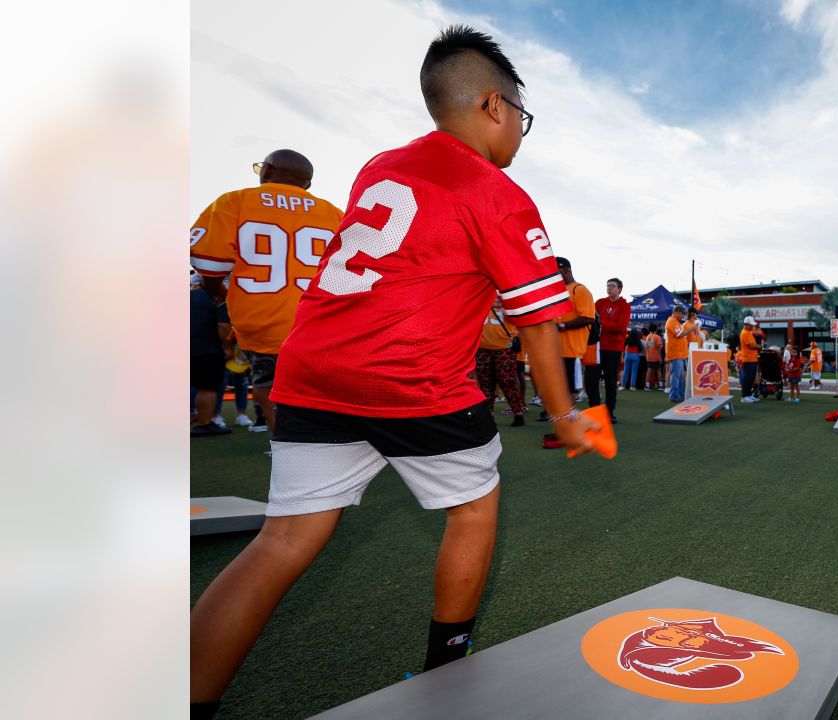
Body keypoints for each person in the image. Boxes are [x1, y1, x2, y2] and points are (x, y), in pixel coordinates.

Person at [189, 27, 598, 719]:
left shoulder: (383, 165)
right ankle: (447, 674)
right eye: (523, 119)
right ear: (494, 107)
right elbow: (536, 325)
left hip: (312, 366)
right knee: (473, 510)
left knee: (282, 540)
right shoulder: (499, 193)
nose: (522, 136)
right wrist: (566, 417)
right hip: (410, 378)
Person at [190, 148, 345, 434]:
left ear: (268, 171)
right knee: (318, 391)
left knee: (267, 388)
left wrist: (219, 293)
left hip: (262, 322)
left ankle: (287, 441)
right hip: (319, 322)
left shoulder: (234, 201)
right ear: (307, 185)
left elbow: (209, 266)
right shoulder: (334, 213)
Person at [538, 256, 594, 438]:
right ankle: (565, 426)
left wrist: (561, 326)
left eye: (556, 271)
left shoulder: (580, 290)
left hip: (570, 350)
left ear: (566, 270)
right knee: (558, 390)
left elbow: (588, 317)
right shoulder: (557, 291)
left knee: (567, 390)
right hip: (555, 349)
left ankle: (570, 428)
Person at [476, 295, 526, 427]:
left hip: (504, 347)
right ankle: (488, 415)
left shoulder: (507, 294)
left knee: (508, 382)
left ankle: (518, 413)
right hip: (482, 347)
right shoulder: (480, 293)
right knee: (485, 384)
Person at [191, 283, 233, 437]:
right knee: (208, 387)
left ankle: (201, 419)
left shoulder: (190, 295)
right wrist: (228, 347)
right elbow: (223, 327)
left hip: (188, 346)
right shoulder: (218, 298)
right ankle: (205, 423)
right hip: (208, 348)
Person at [595, 278, 630, 422]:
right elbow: (590, 319)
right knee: (592, 381)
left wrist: (601, 322)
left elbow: (621, 328)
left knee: (610, 382)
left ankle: (609, 412)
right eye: (608, 286)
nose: (609, 288)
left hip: (613, 348)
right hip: (597, 348)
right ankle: (595, 411)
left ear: (620, 289)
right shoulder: (599, 303)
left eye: (613, 286)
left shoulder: (624, 306)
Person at [664, 305, 698, 402]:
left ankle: (680, 395)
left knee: (679, 376)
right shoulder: (672, 322)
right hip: (675, 353)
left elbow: (680, 334)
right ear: (677, 311)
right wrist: (692, 328)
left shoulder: (674, 321)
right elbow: (680, 334)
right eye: (682, 314)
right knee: (676, 376)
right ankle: (674, 396)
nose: (683, 316)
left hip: (678, 353)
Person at [738, 316, 762, 403]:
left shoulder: (748, 332)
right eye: (751, 325)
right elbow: (752, 346)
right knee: (747, 379)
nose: (753, 327)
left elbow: (754, 344)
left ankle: (748, 395)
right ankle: (744, 396)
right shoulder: (745, 333)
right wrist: (759, 346)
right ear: (746, 324)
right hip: (748, 359)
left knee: (750, 379)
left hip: (752, 359)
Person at [644, 323, 664, 390]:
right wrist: (660, 357)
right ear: (656, 329)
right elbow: (659, 347)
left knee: (649, 370)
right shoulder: (657, 337)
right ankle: (660, 385)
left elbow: (648, 347)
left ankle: (647, 385)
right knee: (658, 371)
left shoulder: (647, 337)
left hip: (649, 356)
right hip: (656, 356)